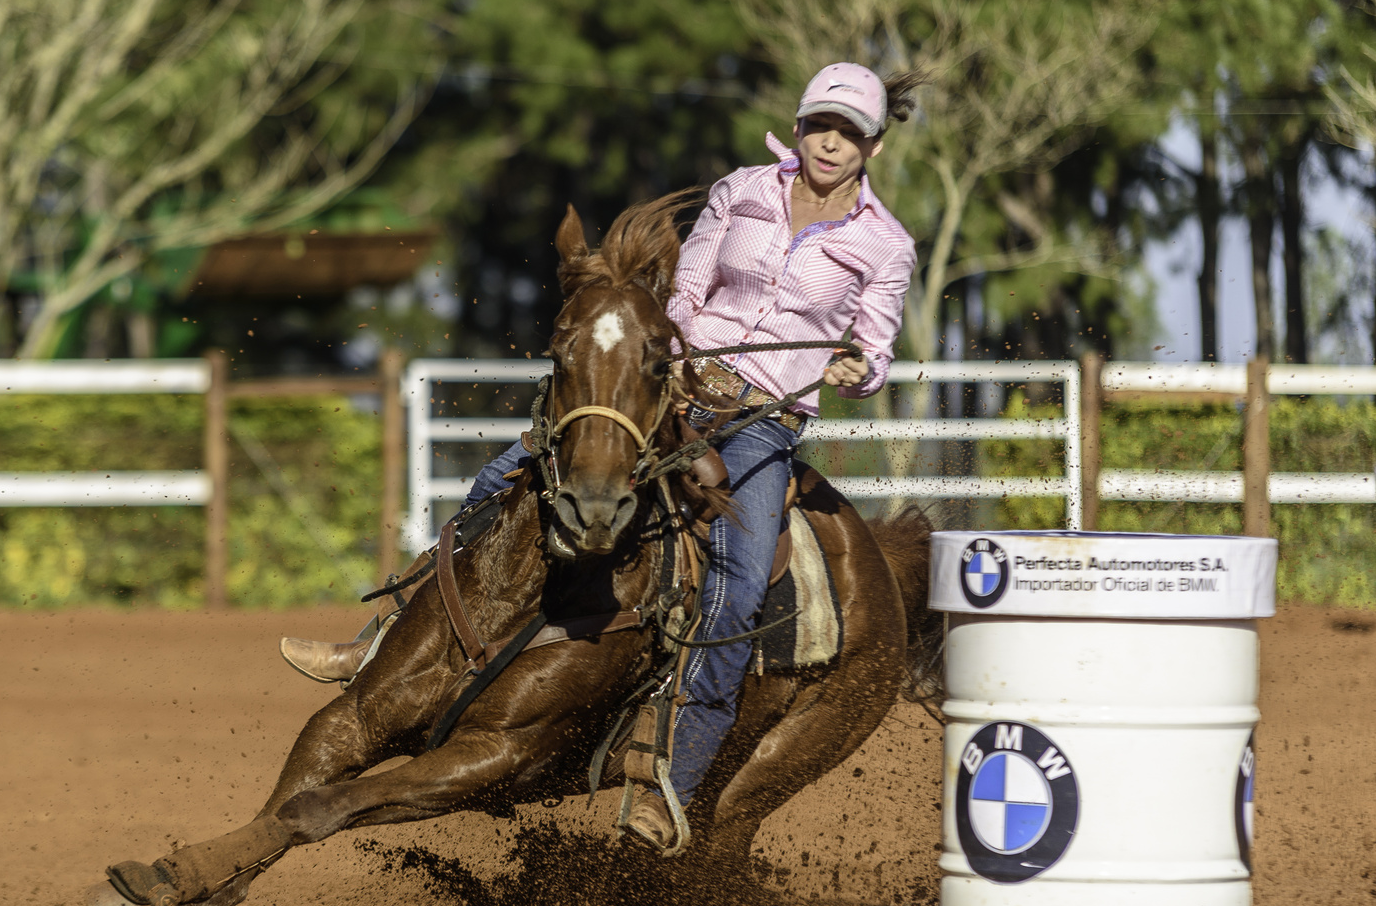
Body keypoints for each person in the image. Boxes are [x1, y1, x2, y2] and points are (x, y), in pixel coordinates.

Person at [280, 62, 921, 851]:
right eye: (821, 125)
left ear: (874, 146)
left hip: (761, 421)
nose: (832, 142)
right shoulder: (742, 190)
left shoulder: (884, 245)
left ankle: (670, 783)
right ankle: (382, 642)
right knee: (505, 478)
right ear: (798, 129)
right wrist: (673, 357)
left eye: (850, 132)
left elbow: (877, 351)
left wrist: (858, 369)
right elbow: (687, 291)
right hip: (674, 389)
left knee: (740, 581)